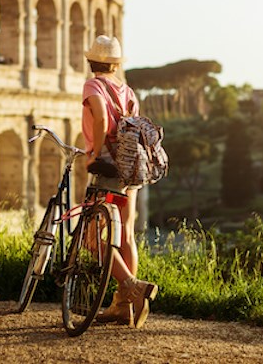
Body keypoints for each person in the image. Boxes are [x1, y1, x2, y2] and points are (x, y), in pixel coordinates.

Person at [80, 35, 158, 328]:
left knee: (89, 238)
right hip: (131, 169)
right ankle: (123, 306)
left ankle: (132, 286)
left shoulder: (93, 86)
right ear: (115, 63)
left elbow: (100, 118)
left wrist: (95, 153)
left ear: (91, 61)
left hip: (109, 169)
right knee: (125, 233)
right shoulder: (129, 92)